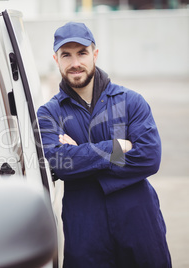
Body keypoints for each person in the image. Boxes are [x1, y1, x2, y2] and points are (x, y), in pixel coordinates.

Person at [37, 22, 171, 267]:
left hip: (139, 220)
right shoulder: (48, 114)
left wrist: (81, 154)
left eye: (82, 53)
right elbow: (60, 163)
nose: (75, 62)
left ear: (95, 54)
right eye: (66, 54)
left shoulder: (131, 101)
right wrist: (115, 147)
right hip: (85, 227)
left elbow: (150, 157)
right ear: (56, 59)